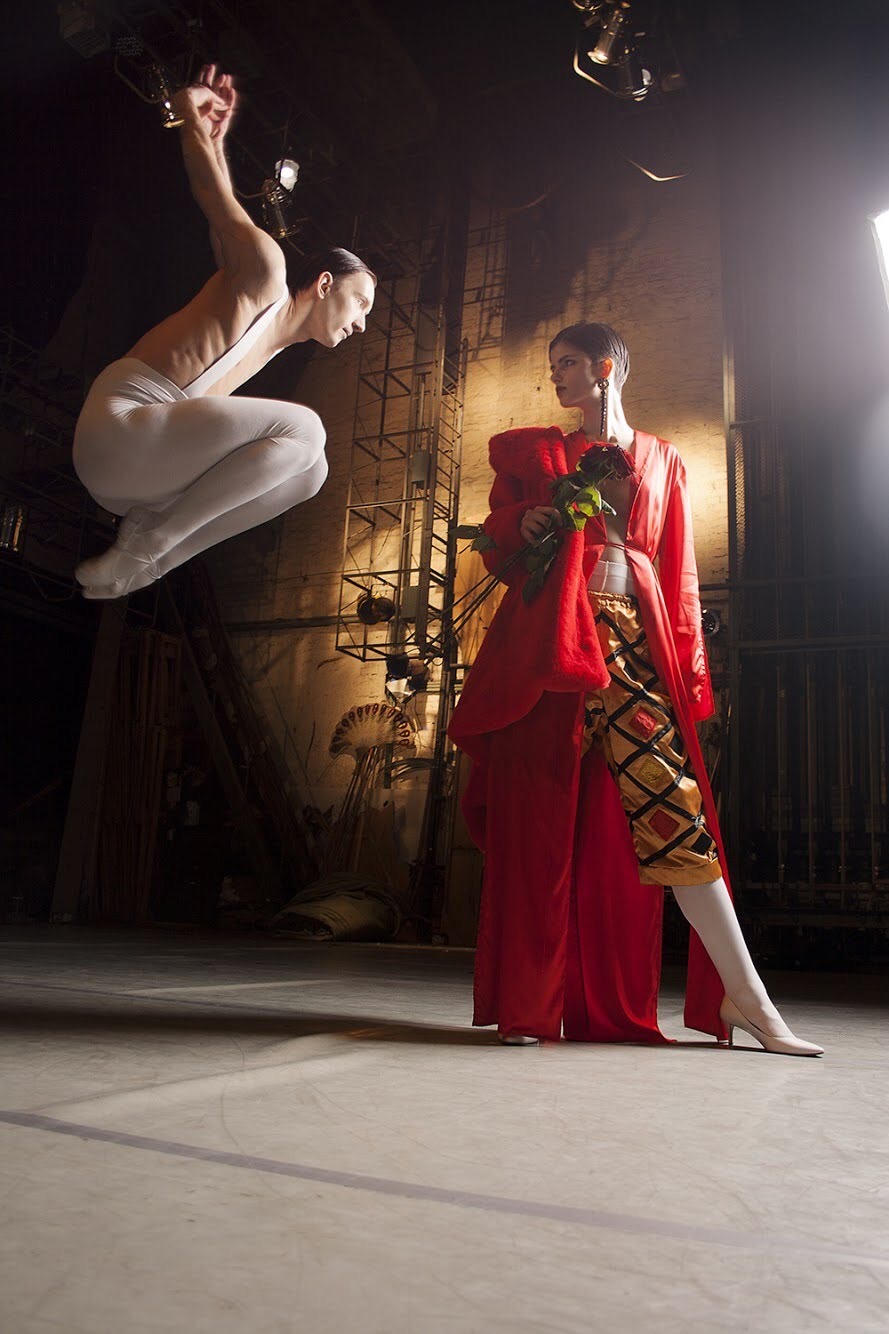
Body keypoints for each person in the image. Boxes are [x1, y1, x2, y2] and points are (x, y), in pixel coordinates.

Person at [448, 322, 823, 1057]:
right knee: (537, 824)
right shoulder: (536, 454)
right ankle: (528, 1004)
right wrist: (522, 521)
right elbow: (494, 544)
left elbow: (678, 572)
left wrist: (688, 682)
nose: (555, 376)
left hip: (633, 649)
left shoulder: (664, 458)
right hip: (554, 648)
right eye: (552, 365)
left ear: (607, 367)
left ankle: (747, 1000)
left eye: (567, 363)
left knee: (677, 819)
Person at [73, 65, 376, 600]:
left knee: (312, 472)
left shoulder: (276, 338)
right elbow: (212, 197)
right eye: (361, 302)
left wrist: (216, 139)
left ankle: (148, 563)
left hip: (138, 478)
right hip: (120, 428)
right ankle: (147, 547)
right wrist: (195, 121)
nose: (362, 322)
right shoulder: (265, 273)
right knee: (306, 431)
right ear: (325, 283)